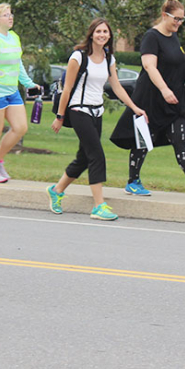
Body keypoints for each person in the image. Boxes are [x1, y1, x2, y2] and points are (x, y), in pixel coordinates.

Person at [109, 0, 185, 197]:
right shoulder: (152, 37)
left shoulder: (173, 37)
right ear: (164, 15)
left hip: (174, 100)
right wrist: (164, 89)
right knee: (144, 140)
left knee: (181, 137)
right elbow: (149, 66)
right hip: (151, 98)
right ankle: (133, 181)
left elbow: (175, 62)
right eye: (176, 18)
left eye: (181, 19)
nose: (179, 23)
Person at [48, 19, 147, 221]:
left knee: (84, 158)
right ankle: (98, 205)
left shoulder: (109, 58)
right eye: (99, 31)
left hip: (97, 112)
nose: (102, 35)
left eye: (106, 32)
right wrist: (60, 116)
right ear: (91, 34)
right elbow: (67, 89)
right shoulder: (78, 57)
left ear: (109, 36)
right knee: (96, 155)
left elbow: (117, 87)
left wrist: (135, 108)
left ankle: (57, 190)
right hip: (78, 110)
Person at [0, 3, 39, 183]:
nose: (10, 17)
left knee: (21, 128)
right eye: (6, 15)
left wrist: (28, 83)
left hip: (12, 91)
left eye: (10, 14)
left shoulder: (13, 37)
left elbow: (17, 63)